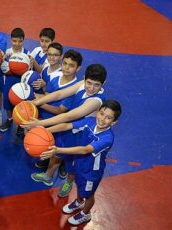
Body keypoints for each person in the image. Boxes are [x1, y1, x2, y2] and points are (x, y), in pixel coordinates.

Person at [23, 64, 107, 197]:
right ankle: (48, 175)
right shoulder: (82, 84)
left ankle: (68, 182)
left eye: (96, 85)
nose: (91, 88)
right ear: (84, 78)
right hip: (68, 127)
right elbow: (59, 94)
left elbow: (69, 115)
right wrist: (35, 103)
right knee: (55, 151)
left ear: (103, 84)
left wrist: (40, 123)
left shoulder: (96, 101)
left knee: (73, 163)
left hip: (81, 136)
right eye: (89, 83)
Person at [39, 100, 122, 225]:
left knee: (88, 194)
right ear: (97, 112)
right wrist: (45, 131)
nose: (102, 119)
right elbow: (67, 126)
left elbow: (85, 150)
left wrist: (58, 150)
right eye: (101, 114)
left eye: (108, 118)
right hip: (79, 162)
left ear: (114, 122)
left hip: (91, 172)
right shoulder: (90, 121)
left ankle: (85, 213)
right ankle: (78, 202)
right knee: (79, 185)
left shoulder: (107, 138)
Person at [34, 48, 82, 169]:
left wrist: (38, 102)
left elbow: (60, 110)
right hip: (44, 115)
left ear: (78, 68)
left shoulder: (75, 88)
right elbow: (48, 95)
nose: (66, 68)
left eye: (71, 65)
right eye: (65, 63)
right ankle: (45, 157)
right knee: (42, 140)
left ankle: (60, 163)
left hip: (57, 121)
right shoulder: (55, 76)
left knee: (54, 143)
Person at [0, 27, 30, 134]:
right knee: (7, 102)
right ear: (11, 40)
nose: (17, 44)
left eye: (20, 41)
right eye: (14, 41)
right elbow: (2, 68)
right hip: (9, 80)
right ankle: (9, 119)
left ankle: (21, 124)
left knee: (21, 103)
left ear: (23, 40)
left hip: (21, 82)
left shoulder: (27, 53)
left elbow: (29, 70)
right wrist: (3, 59)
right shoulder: (7, 52)